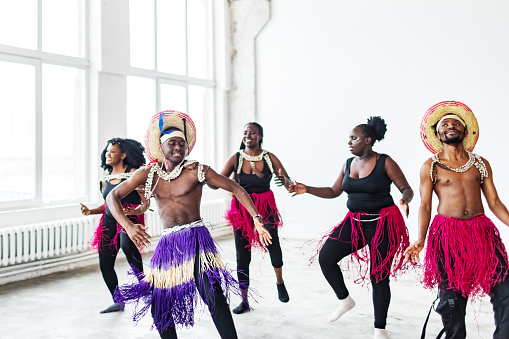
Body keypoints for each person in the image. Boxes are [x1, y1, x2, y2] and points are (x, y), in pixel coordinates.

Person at [107, 111, 272, 339]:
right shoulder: (148, 174)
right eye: (172, 143)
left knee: (212, 294)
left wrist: (257, 219)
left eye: (182, 144)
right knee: (159, 304)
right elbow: (112, 197)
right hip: (168, 245)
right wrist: (128, 226)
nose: (178, 148)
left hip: (196, 239)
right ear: (161, 146)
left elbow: (237, 189)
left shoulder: (197, 170)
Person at [289, 116, 413, 339]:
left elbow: (406, 188)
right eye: (349, 139)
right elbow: (334, 191)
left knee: (379, 276)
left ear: (368, 140)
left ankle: (380, 329)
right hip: (355, 222)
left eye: (354, 138)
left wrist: (404, 200)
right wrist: (306, 188)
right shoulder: (347, 164)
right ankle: (345, 300)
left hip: (384, 223)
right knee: (326, 258)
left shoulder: (385, 162)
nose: (349, 142)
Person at [404, 101, 509, 338]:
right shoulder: (431, 166)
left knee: (505, 291)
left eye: (456, 124)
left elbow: (494, 203)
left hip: (482, 234)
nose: (450, 127)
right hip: (448, 237)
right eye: (445, 124)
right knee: (451, 300)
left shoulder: (480, 164)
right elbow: (425, 205)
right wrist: (420, 239)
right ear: (438, 134)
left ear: (465, 131)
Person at [210, 122, 294, 314]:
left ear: (260, 137)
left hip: (265, 205)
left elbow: (285, 179)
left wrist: (287, 182)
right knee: (242, 255)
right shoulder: (236, 158)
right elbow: (218, 181)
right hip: (242, 209)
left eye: (253, 133)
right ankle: (244, 300)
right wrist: (206, 178)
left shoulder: (269, 157)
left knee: (273, 245)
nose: (248, 135)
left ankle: (280, 282)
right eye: (245, 132)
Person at [81, 137, 149, 313]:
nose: (108, 154)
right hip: (109, 220)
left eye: (113, 151)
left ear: (123, 155)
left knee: (128, 247)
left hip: (129, 218)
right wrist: (92, 211)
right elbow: (108, 204)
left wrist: (139, 211)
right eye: (107, 151)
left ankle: (146, 288)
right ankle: (117, 300)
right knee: (105, 262)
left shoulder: (134, 173)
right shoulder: (106, 177)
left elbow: (146, 202)